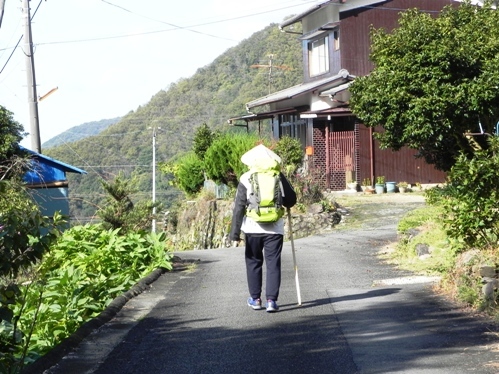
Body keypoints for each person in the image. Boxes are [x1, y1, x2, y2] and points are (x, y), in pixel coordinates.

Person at [229, 145, 297, 313]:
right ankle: (272, 301)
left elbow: (239, 208)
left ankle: (255, 299)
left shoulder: (246, 177)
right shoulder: (278, 176)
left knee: (253, 262)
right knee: (273, 264)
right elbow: (291, 200)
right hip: (275, 229)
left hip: (252, 228)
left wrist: (235, 234)